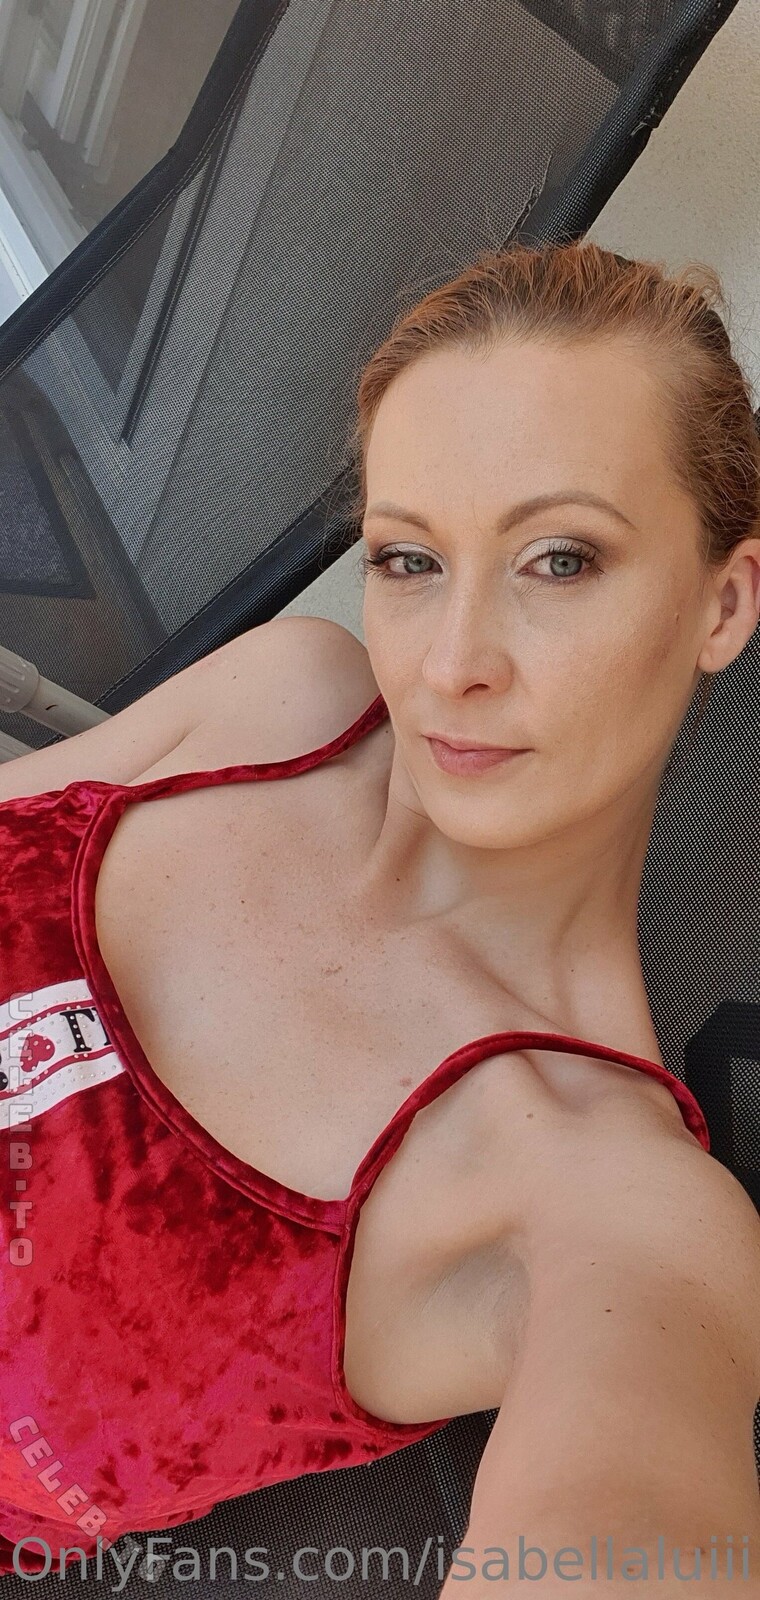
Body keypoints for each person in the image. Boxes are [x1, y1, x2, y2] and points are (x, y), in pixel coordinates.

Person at [1, 239, 759, 1596]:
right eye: (409, 559)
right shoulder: (283, 699)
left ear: (723, 602)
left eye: (560, 559)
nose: (452, 664)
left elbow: (631, 1515)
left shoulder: (597, 1197)